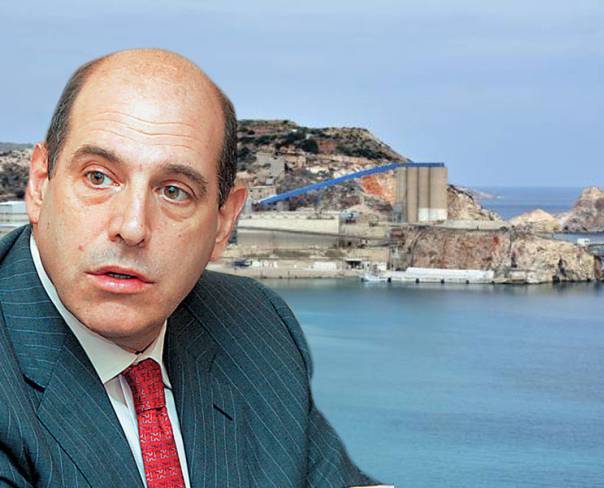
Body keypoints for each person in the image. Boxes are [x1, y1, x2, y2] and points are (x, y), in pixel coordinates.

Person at [0, 49, 389, 488]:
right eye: (98, 177)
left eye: (174, 191)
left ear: (223, 223)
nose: (132, 227)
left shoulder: (256, 323)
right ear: (39, 185)